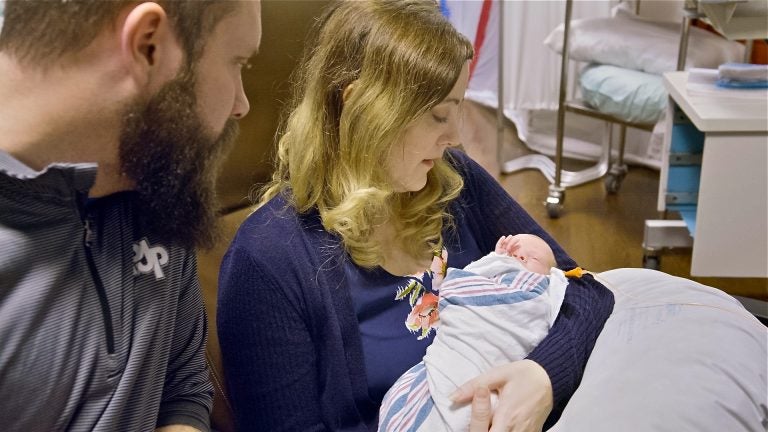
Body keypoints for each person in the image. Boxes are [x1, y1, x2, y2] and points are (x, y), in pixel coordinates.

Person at [217, 1, 614, 431]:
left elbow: (583, 289)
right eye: (437, 114)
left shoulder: (453, 183)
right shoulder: (268, 262)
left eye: (457, 110)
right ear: (361, 109)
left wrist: (542, 378)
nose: (457, 136)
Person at [0, 1, 261, 431]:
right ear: (148, 45)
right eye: (238, 63)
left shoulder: (155, 181)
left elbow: (181, 385)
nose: (241, 104)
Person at [379, 234, 576, 431]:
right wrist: (495, 259)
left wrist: (544, 374)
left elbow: (587, 291)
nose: (520, 257)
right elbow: (462, 283)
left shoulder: (541, 289)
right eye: (513, 252)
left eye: (533, 258)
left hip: (497, 379)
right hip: (448, 359)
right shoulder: (490, 270)